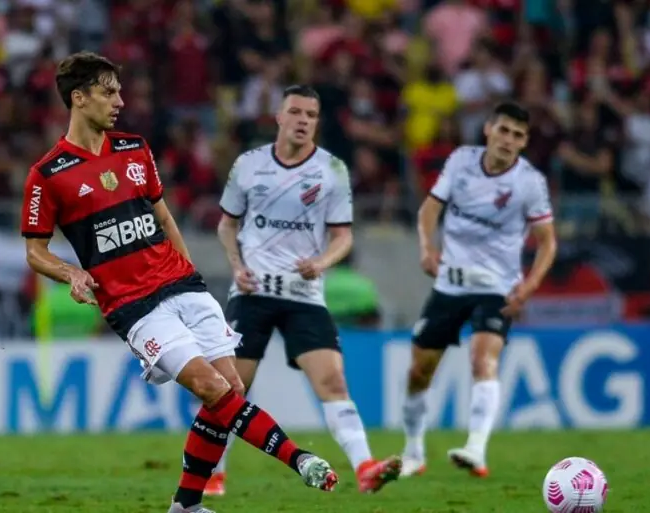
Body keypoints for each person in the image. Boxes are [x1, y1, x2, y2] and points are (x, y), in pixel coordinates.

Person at [19, 53, 338, 513]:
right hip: (134, 306)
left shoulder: (134, 149)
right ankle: (299, 458)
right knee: (213, 390)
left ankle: (185, 507)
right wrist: (72, 272)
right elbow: (35, 250)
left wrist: (190, 277)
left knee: (231, 391)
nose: (120, 101)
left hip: (182, 285)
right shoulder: (48, 175)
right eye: (109, 91)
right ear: (78, 97)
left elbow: (163, 216)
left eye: (119, 91)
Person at [209, 85, 401, 496]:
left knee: (332, 381)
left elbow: (343, 237)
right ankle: (214, 473)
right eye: (295, 112)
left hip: (303, 293)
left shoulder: (332, 170)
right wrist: (236, 266)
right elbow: (226, 224)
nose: (302, 120)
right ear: (278, 117)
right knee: (228, 388)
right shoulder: (249, 165)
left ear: (317, 122)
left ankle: (365, 467)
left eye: (311, 115)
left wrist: (323, 262)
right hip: (253, 292)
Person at [399, 101, 558, 478]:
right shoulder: (460, 162)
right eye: (503, 130)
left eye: (517, 135)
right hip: (450, 285)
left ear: (524, 142)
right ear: (488, 129)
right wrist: (426, 247)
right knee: (419, 371)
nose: (508, 140)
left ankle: (476, 449)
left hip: (496, 288)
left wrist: (530, 285)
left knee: (483, 360)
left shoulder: (529, 183)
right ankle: (413, 452)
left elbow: (548, 242)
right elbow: (429, 209)